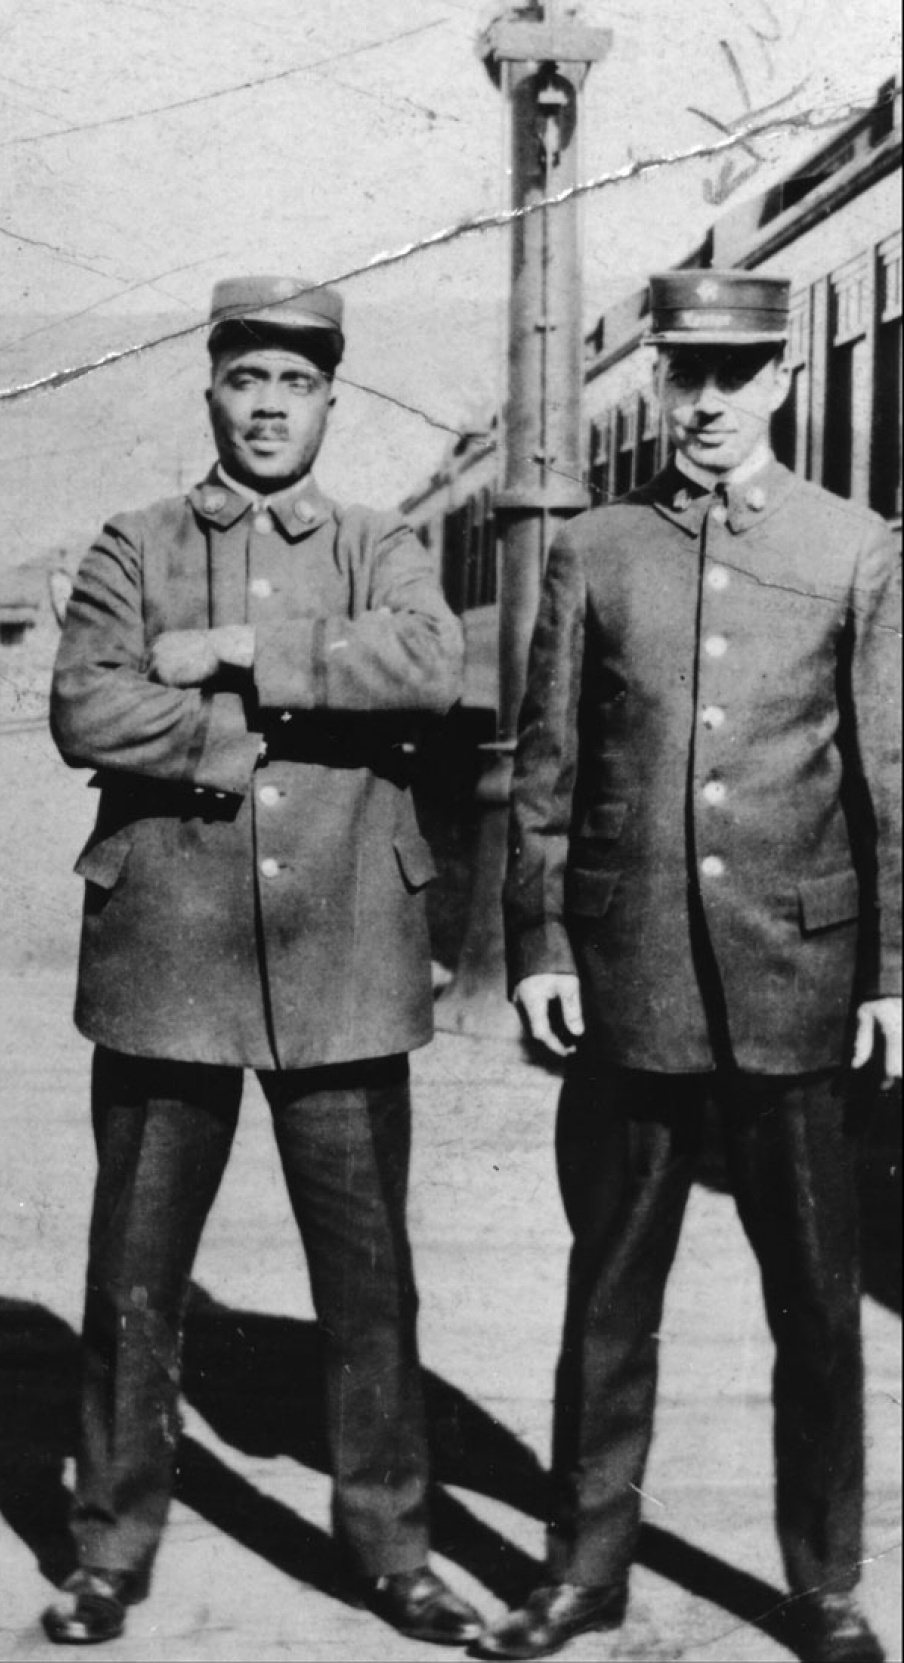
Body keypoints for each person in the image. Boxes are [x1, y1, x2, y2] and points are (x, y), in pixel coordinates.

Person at [41, 275, 483, 1648]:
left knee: (368, 1283)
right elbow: (86, 705)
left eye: (299, 385)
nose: (273, 407)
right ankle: (110, 1548)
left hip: (344, 951)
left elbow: (430, 662)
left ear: (330, 401)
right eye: (251, 382)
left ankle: (394, 1551)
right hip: (170, 956)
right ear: (215, 391)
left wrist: (237, 652)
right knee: (133, 1274)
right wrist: (253, 736)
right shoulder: (137, 540)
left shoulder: (381, 541)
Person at [483, 270, 900, 1663]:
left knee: (820, 1309)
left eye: (738, 374)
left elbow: (890, 785)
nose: (710, 402)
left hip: (801, 985)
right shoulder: (598, 549)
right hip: (629, 978)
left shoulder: (856, 550)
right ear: (660, 381)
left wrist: (891, 973)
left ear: (781, 381)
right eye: (688, 374)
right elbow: (544, 773)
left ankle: (825, 1585)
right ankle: (582, 1571)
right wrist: (538, 942)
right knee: (611, 1292)